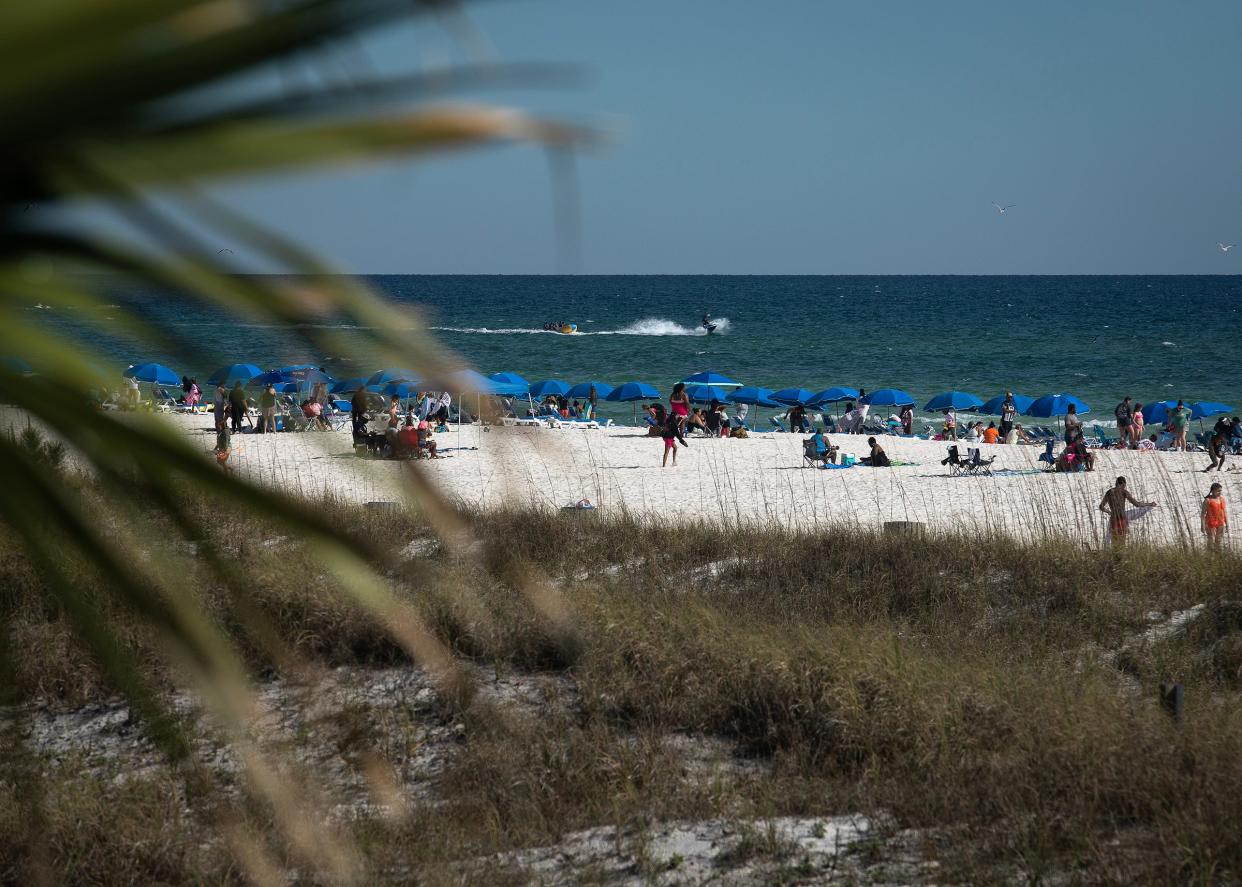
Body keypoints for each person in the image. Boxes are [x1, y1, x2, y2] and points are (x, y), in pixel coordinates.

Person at [1099, 476, 1156, 544]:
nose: (1124, 487)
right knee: (1122, 542)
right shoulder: (1124, 492)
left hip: (1113, 519)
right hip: (1122, 519)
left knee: (1114, 543)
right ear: (1123, 483)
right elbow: (1136, 504)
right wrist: (1149, 504)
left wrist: (1109, 512)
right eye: (1124, 485)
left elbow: (1101, 506)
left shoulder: (1109, 492)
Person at [1202, 482, 1228, 549]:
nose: (1220, 492)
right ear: (1213, 490)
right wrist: (1203, 525)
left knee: (1218, 541)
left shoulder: (1222, 499)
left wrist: (1227, 523)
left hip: (1220, 522)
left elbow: (1224, 511)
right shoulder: (1208, 500)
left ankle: (1218, 556)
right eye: (1218, 491)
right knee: (1211, 541)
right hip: (1210, 523)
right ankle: (1209, 557)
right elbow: (1203, 514)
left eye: (1220, 491)